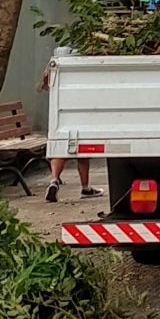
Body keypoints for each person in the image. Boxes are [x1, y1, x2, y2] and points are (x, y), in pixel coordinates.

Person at [39, 48, 99, 204]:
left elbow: (44, 86)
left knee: (60, 148)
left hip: (60, 114)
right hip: (80, 113)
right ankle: (85, 187)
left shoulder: (54, 68)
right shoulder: (81, 69)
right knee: (83, 149)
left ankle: (54, 180)